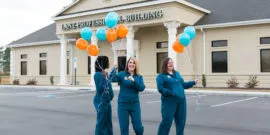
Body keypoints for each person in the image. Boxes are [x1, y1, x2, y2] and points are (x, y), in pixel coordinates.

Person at [156, 57, 198, 135]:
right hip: (169, 103)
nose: (171, 64)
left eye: (172, 62)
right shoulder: (161, 76)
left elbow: (183, 85)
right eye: (169, 63)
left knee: (181, 123)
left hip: (181, 102)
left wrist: (193, 82)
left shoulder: (177, 74)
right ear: (165, 65)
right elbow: (160, 89)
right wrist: (171, 93)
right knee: (166, 122)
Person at [111, 57, 145, 135]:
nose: (131, 64)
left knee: (138, 128)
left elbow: (141, 88)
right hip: (123, 105)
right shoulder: (122, 74)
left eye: (133, 63)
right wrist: (114, 69)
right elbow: (112, 79)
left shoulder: (139, 76)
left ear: (136, 65)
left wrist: (134, 81)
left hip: (134, 105)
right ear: (127, 64)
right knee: (124, 129)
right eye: (130, 62)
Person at [93, 56, 115, 135]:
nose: (108, 63)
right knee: (101, 123)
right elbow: (100, 88)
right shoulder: (98, 75)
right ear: (103, 63)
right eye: (107, 61)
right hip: (101, 101)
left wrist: (112, 73)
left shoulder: (104, 73)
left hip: (107, 101)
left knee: (108, 122)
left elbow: (108, 85)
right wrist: (104, 78)